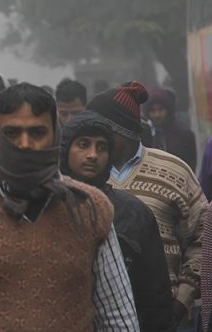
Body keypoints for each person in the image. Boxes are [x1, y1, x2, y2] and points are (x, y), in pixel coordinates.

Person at [0, 83, 138, 331]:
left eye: (37, 132)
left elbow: (118, 317)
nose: (25, 144)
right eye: (12, 133)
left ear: (55, 135)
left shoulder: (90, 208)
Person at [88, 81, 208, 327]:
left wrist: (182, 300)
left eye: (99, 129)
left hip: (167, 314)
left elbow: (202, 237)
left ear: (122, 129)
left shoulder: (174, 170)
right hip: (101, 317)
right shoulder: (84, 174)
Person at [61, 110, 175, 331]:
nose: (93, 155)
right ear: (65, 149)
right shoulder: (45, 207)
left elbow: (154, 297)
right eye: (83, 144)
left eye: (102, 147)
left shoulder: (133, 213)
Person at [143, 87, 197, 171]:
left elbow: (190, 167)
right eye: (153, 111)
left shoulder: (185, 136)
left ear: (167, 110)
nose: (157, 115)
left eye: (160, 110)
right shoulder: (144, 136)